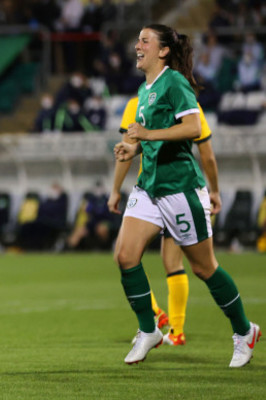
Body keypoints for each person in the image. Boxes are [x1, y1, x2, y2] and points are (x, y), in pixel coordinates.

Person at [112, 24, 260, 367]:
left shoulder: (175, 82)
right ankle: (149, 330)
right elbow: (154, 139)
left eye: (144, 40)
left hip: (180, 188)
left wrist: (146, 133)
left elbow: (193, 128)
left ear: (163, 51)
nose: (137, 45)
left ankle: (243, 331)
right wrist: (131, 149)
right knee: (125, 255)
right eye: (137, 40)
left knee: (204, 268)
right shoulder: (144, 89)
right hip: (149, 187)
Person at [110, 96, 222, 347]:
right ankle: (175, 330)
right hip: (180, 192)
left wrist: (115, 190)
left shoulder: (136, 103)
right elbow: (207, 155)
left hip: (151, 193)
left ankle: (157, 316)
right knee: (174, 262)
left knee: (127, 256)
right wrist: (215, 191)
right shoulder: (189, 103)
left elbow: (125, 149)